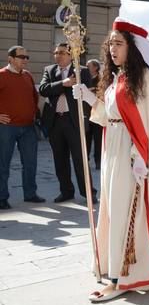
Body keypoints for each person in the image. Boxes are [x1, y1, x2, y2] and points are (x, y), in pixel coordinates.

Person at [72, 17, 149, 302]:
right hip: (112, 147)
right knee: (113, 207)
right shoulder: (118, 77)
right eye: (110, 43)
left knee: (126, 209)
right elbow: (110, 114)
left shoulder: (143, 78)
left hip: (129, 152)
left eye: (119, 43)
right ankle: (114, 265)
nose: (113, 48)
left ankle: (120, 279)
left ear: (133, 46)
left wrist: (140, 156)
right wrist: (88, 97)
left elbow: (146, 123)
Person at [39, 43, 96, 203]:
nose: (58, 55)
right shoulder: (49, 70)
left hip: (74, 121)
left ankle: (88, 193)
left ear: (71, 55)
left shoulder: (82, 71)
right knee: (60, 160)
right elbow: (43, 89)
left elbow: (86, 93)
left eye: (62, 53)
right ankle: (66, 191)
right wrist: (63, 84)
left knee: (80, 159)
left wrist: (59, 89)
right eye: (56, 52)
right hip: (55, 121)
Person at [0, 46, 45, 209]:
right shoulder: (2, 75)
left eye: (27, 57)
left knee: (30, 163)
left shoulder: (27, 76)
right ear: (10, 58)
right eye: (21, 57)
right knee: (3, 163)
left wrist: (33, 112)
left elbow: (34, 96)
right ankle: (1, 197)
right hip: (6, 128)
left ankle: (30, 194)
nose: (25, 60)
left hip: (28, 127)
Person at [86, 59, 103, 171]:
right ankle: (85, 160)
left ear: (95, 68)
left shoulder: (101, 79)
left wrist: (93, 91)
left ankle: (98, 161)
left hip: (98, 112)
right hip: (87, 113)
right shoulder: (85, 79)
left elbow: (103, 93)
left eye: (89, 66)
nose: (87, 68)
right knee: (86, 137)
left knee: (98, 140)